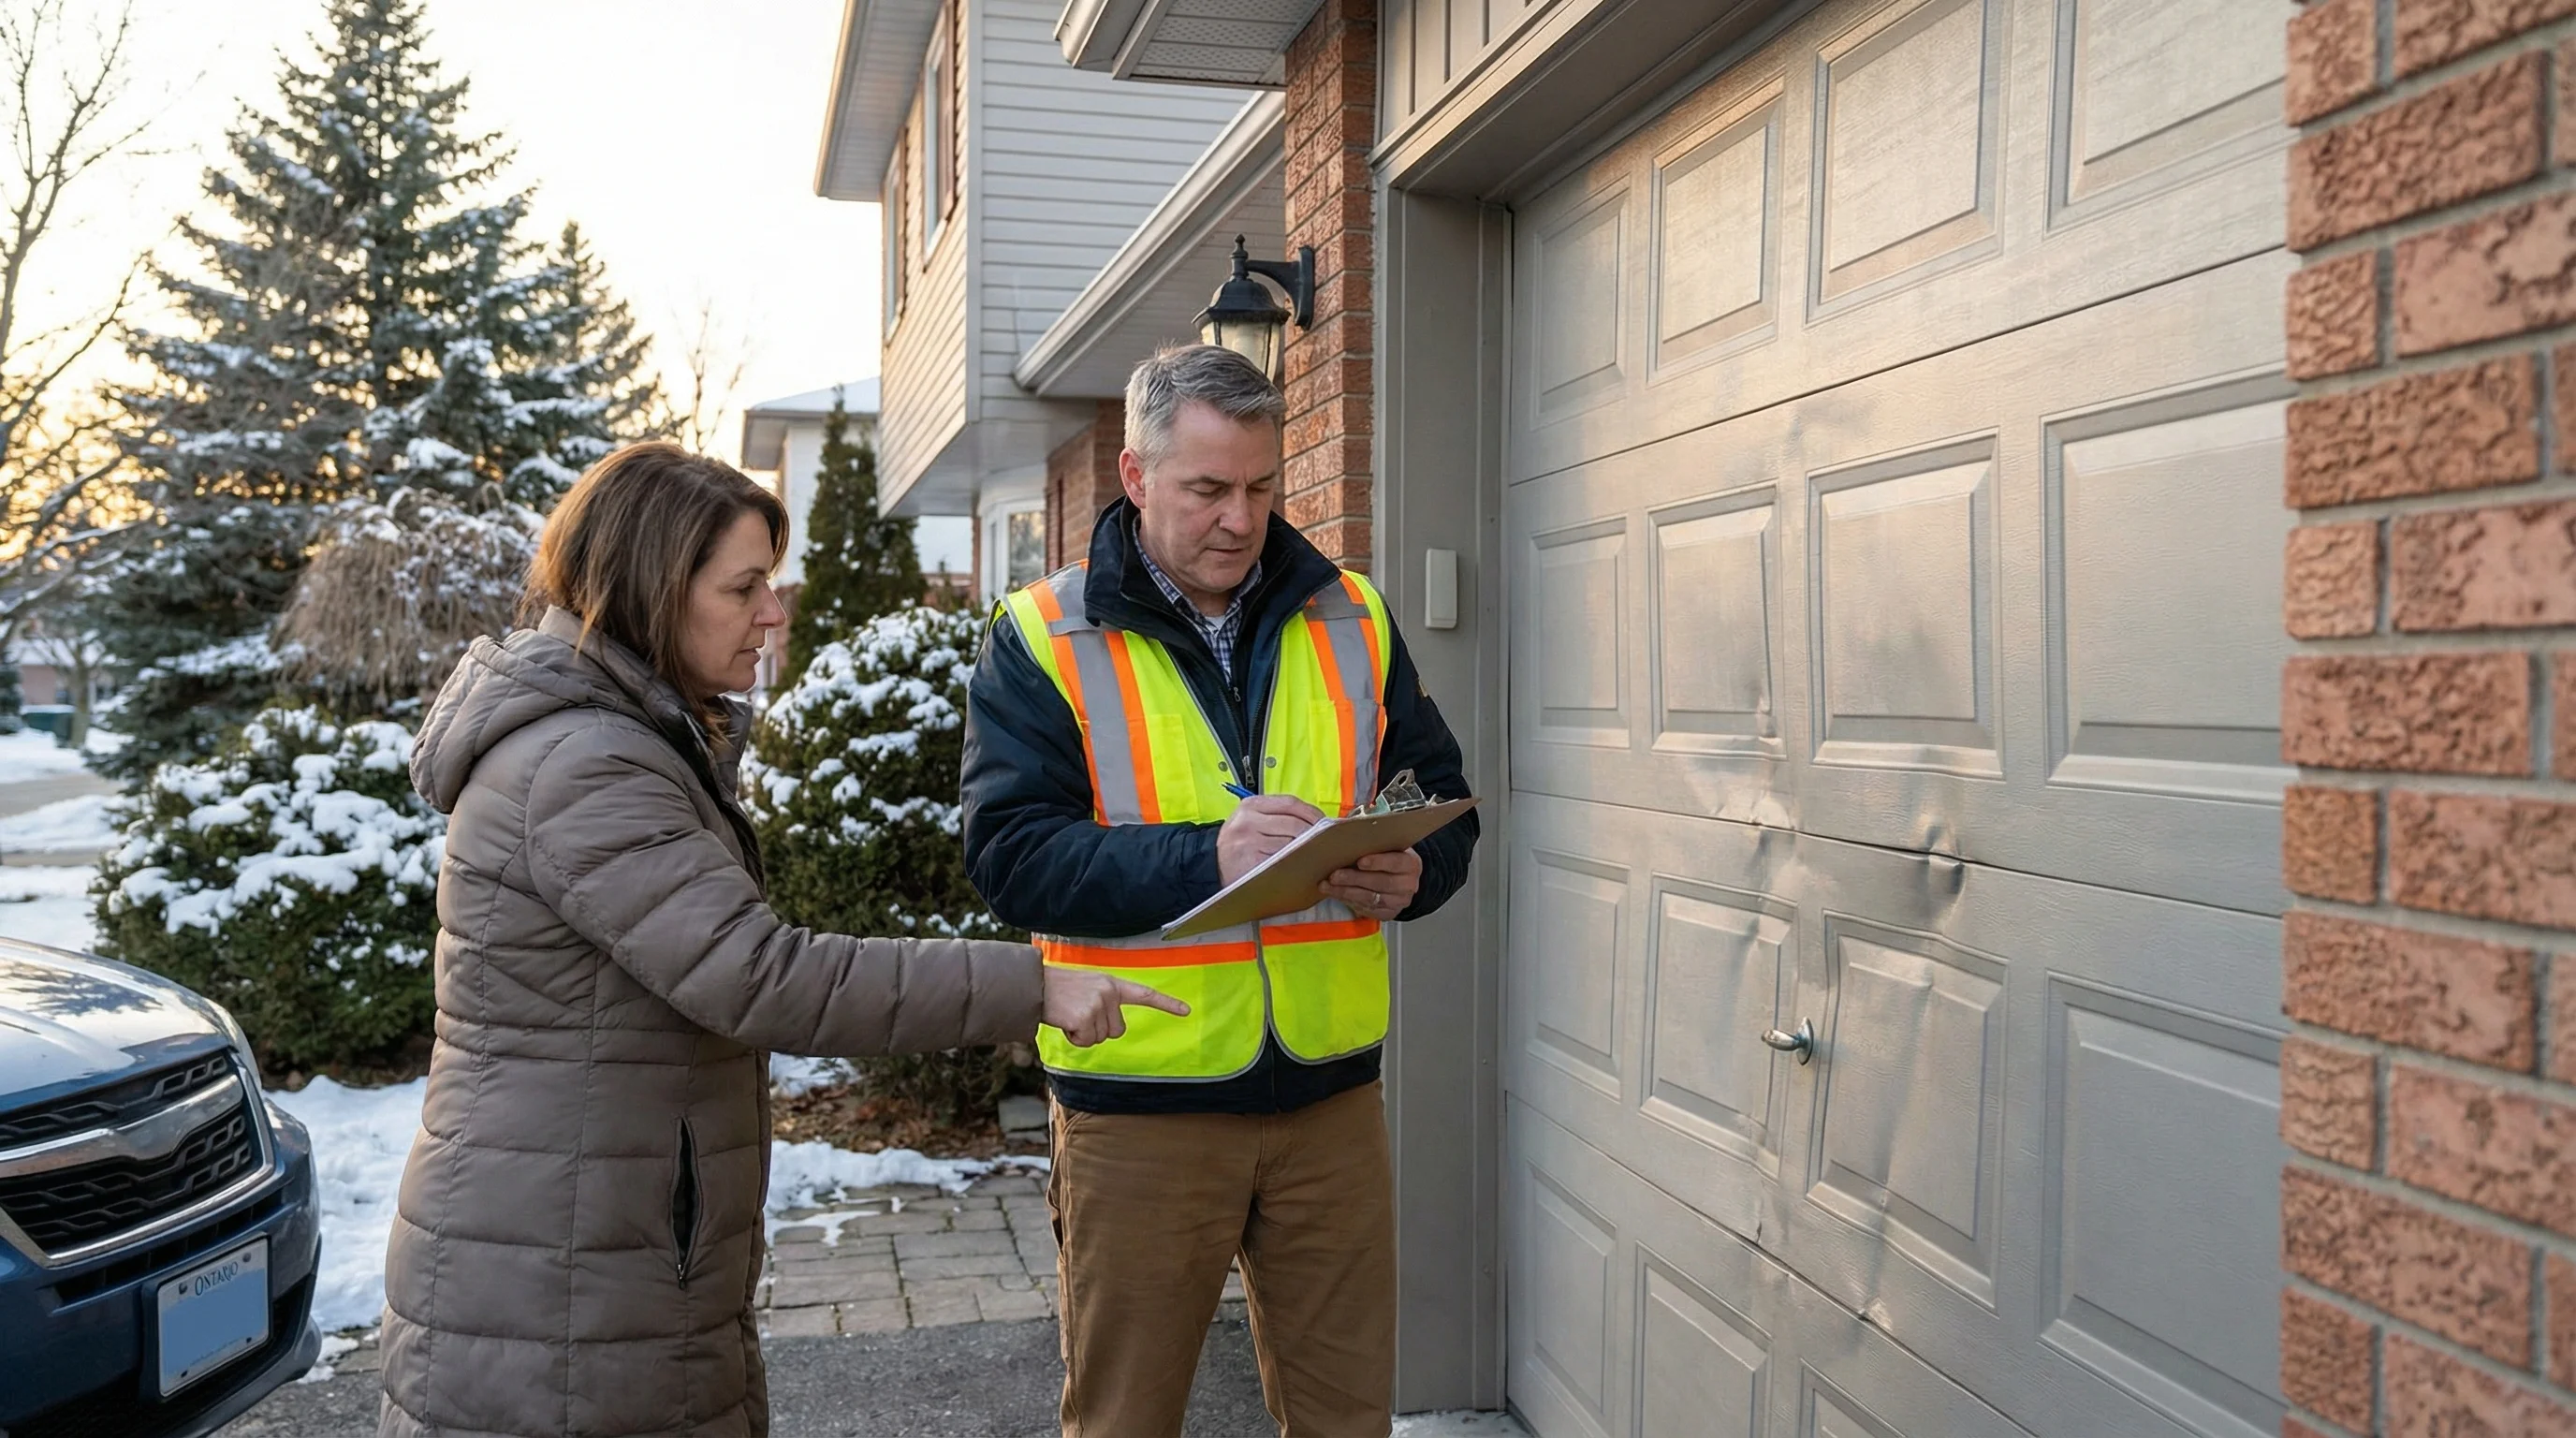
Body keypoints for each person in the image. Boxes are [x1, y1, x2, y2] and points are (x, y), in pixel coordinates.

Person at [380, 443, 1180, 1438]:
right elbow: (760, 977)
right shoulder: (585, 764)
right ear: (649, 590)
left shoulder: (617, 739)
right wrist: (1034, 983)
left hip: (591, 1245)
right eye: (744, 586)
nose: (773, 612)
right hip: (559, 1282)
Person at [962, 345, 1480, 1437]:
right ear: (1137, 477)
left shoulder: (1353, 615)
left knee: (1348, 1422)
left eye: (1259, 487)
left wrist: (1412, 869)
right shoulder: (1042, 636)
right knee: (1124, 1421)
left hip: (1331, 1102)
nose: (1239, 520)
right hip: (1142, 1104)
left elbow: (1438, 798)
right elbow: (1010, 857)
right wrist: (1206, 856)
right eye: (1206, 490)